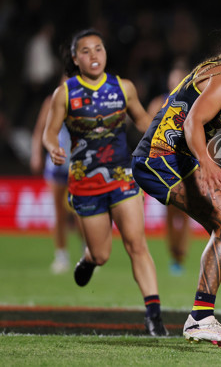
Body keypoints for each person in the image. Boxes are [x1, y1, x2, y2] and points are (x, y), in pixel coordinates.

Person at [131, 12, 221, 347]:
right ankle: (199, 317)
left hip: (180, 160)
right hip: (158, 158)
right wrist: (206, 161)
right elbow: (192, 122)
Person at [42, 28, 168, 336]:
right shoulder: (65, 93)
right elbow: (49, 132)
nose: (94, 55)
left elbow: (141, 120)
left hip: (123, 176)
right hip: (85, 182)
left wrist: (164, 130)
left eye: (99, 49)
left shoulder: (123, 88)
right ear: (75, 58)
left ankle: (154, 316)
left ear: (105, 54)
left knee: (137, 244)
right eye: (86, 51)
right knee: (102, 254)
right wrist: (52, 148)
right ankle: (88, 260)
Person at [30, 73, 82, 274]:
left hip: (78, 164)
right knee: (59, 213)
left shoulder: (85, 103)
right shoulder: (51, 102)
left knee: (81, 212)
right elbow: (40, 130)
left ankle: (87, 254)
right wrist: (36, 154)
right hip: (57, 163)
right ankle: (61, 256)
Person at [146, 62, 191, 276]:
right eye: (174, 79)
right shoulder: (159, 103)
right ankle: (174, 256)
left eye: (180, 79)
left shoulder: (194, 103)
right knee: (170, 213)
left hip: (187, 164)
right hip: (164, 164)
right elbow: (147, 130)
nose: (176, 83)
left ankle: (180, 255)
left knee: (185, 213)